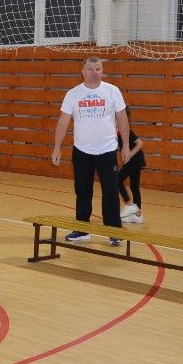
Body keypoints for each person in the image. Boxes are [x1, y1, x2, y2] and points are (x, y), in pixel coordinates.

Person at [51, 56, 131, 245]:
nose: (94, 73)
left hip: (107, 150)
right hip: (82, 151)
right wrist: (57, 147)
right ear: (83, 71)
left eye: (98, 69)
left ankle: (114, 231)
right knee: (82, 190)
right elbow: (63, 122)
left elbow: (122, 118)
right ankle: (82, 229)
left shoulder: (112, 91)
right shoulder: (73, 94)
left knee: (111, 191)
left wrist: (125, 145)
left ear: (102, 71)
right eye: (90, 69)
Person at [117, 106, 146, 224]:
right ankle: (138, 215)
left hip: (135, 160)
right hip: (135, 160)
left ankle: (130, 205)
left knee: (117, 180)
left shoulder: (126, 130)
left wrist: (129, 155)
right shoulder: (118, 130)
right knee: (134, 187)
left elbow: (140, 143)